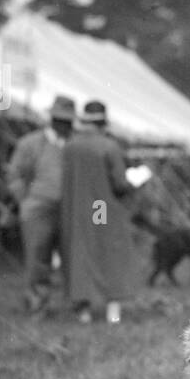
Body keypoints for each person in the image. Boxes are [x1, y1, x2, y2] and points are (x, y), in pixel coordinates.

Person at [61, 100, 134, 325]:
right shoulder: (109, 147)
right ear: (103, 122)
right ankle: (113, 313)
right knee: (109, 253)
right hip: (102, 209)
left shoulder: (70, 146)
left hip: (76, 211)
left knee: (79, 255)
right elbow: (120, 183)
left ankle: (83, 312)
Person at [5, 95, 75, 312]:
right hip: (38, 209)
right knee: (37, 257)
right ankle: (38, 304)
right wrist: (24, 201)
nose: (64, 125)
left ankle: (73, 304)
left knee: (72, 257)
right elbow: (14, 174)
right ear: (52, 119)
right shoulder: (30, 143)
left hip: (69, 210)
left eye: (68, 120)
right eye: (60, 119)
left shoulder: (75, 145)